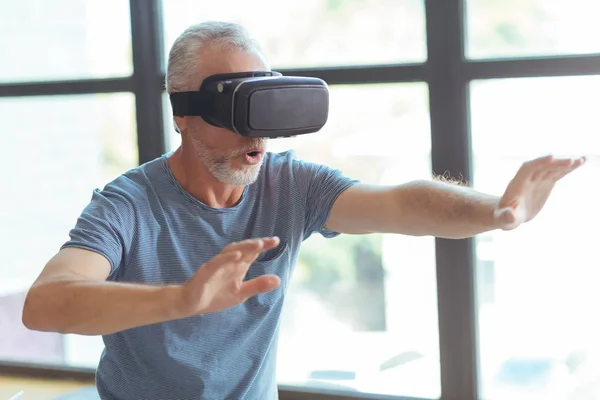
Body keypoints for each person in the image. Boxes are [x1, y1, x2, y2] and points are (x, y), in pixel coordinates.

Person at [21, 21, 586, 400]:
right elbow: (46, 305)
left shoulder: (286, 184)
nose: (255, 138)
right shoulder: (131, 203)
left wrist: (495, 210)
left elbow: (401, 203)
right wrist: (182, 299)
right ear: (184, 114)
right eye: (233, 110)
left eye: (262, 109)